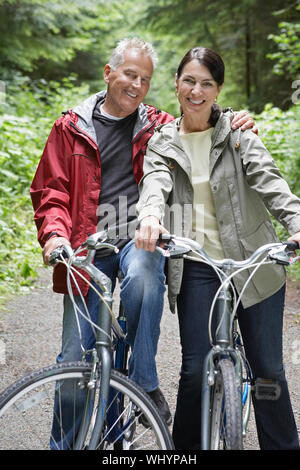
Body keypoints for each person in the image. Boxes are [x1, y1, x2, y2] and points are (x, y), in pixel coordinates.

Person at [30, 38, 255, 448]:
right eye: (129, 74)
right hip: (86, 247)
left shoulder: (157, 125)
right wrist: (56, 235)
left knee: (147, 268)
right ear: (108, 73)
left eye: (145, 79)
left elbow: (200, 118)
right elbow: (51, 191)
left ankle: (141, 386)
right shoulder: (70, 127)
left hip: (138, 239)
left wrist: (235, 120)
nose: (136, 85)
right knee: (75, 364)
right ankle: (63, 445)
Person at [135, 46, 300, 450]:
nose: (196, 90)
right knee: (194, 370)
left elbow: (272, 183)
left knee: (268, 372)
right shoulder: (162, 143)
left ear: (218, 88)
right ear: (176, 84)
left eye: (207, 83)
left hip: (254, 265)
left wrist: (297, 221)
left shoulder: (239, 134)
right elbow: (154, 186)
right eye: (189, 81)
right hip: (197, 265)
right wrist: (151, 218)